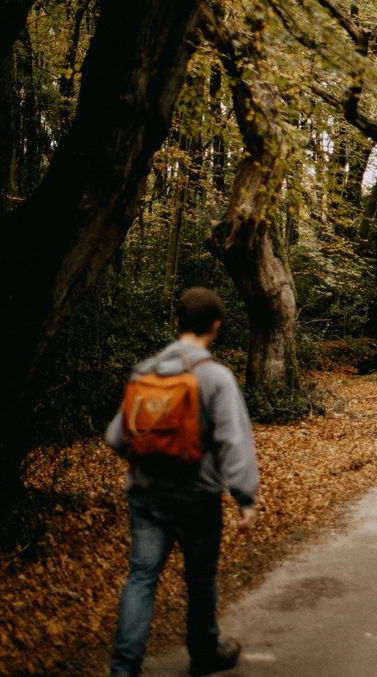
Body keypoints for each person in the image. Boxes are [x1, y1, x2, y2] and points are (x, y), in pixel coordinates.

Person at [106, 287, 260, 677]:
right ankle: (205, 652)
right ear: (215, 327)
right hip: (197, 498)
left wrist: (147, 461)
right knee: (201, 577)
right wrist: (245, 497)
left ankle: (123, 668)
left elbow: (115, 436)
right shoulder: (215, 377)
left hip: (145, 495)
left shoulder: (145, 371)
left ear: (177, 321)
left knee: (141, 577)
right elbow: (233, 441)